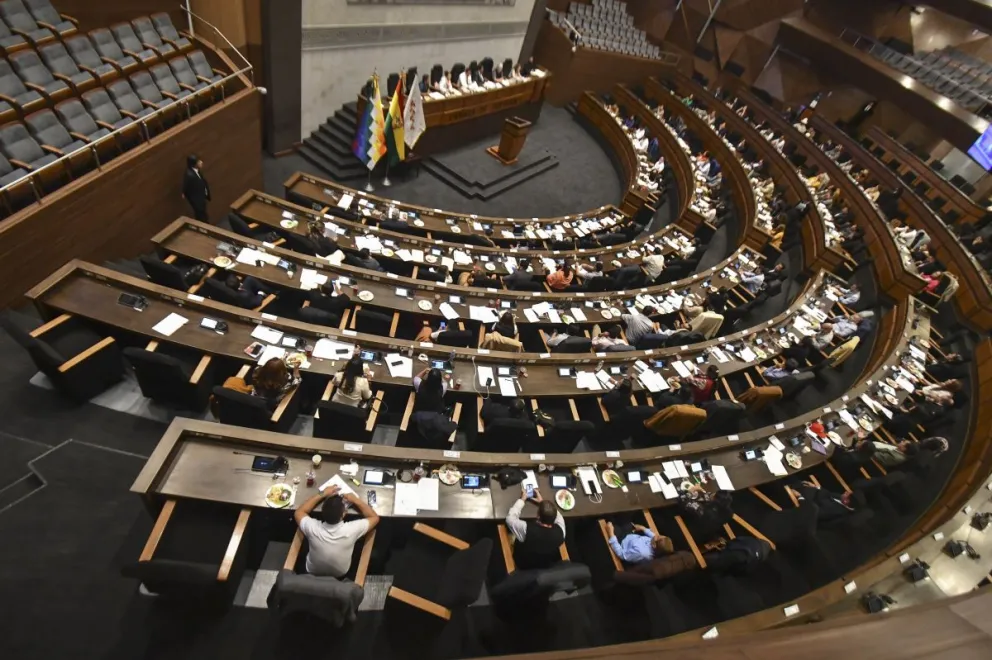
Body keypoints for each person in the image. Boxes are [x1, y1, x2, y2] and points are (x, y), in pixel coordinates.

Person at [294, 483, 379, 577]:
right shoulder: (352, 529)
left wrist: (322, 493)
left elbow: (299, 512)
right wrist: (356, 500)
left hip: (311, 571)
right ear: (344, 514)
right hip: (341, 574)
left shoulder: (312, 527)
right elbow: (374, 517)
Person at [504, 485, 565, 570]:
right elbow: (558, 515)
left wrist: (522, 500)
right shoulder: (561, 531)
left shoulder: (526, 529)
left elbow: (510, 519)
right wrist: (542, 502)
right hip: (544, 565)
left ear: (538, 516)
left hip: (523, 563)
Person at [605, 521, 673, 565]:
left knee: (611, 524)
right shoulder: (656, 543)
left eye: (658, 537)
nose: (657, 535)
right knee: (625, 516)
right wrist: (643, 528)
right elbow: (653, 536)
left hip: (621, 542)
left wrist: (611, 533)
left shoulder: (641, 553)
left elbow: (621, 554)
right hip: (631, 536)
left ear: (654, 545)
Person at [794, 481, 864, 523]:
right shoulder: (843, 500)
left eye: (846, 494)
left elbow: (814, 511)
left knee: (790, 483)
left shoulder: (835, 511)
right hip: (812, 494)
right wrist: (816, 487)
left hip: (804, 504)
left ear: (846, 501)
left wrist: (800, 497)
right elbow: (828, 494)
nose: (845, 492)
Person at [182, 154, 210, 221]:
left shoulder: (196, 171)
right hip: (197, 201)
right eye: (198, 162)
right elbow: (185, 188)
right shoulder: (190, 176)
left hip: (201, 197)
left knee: (203, 214)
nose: (201, 162)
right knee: (201, 216)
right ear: (194, 164)